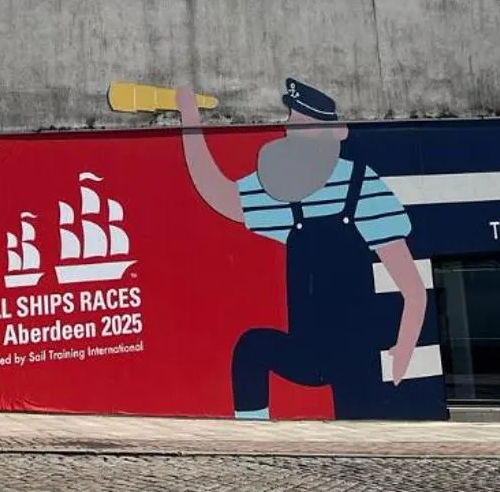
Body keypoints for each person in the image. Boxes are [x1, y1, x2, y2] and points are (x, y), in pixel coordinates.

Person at [179, 77, 427, 419]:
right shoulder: (281, 190)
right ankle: (255, 438)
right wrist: (189, 121)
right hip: (308, 353)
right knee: (251, 349)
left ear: (332, 132)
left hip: (357, 356)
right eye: (290, 123)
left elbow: (413, 290)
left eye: (301, 123)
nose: (289, 130)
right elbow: (218, 193)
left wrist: (404, 349)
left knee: (360, 440)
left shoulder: (362, 187)